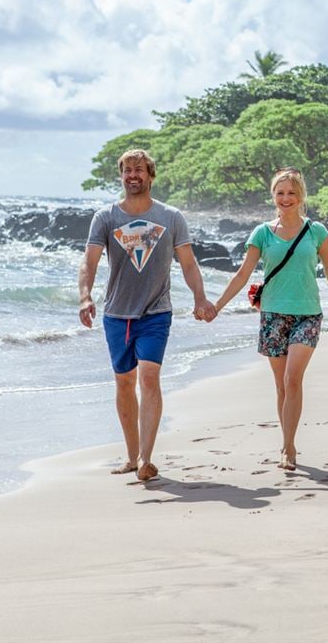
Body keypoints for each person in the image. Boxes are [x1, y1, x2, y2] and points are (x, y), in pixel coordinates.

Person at [78, 149, 216, 481]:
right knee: (124, 382)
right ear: (121, 176)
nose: (132, 175)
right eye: (127, 170)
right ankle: (130, 456)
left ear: (151, 175)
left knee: (149, 378)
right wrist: (85, 297)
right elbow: (90, 260)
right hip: (116, 314)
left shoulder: (171, 217)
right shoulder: (106, 217)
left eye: (139, 169)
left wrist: (200, 298)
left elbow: (188, 263)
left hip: (156, 312)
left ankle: (145, 459)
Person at [213, 168, 328, 471]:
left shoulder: (317, 232)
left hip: (308, 314)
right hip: (273, 314)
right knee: (281, 386)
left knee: (293, 379)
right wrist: (217, 306)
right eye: (280, 193)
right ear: (273, 196)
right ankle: (287, 440)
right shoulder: (262, 233)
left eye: (292, 193)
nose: (286, 198)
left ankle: (288, 448)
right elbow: (242, 274)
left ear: (301, 196)